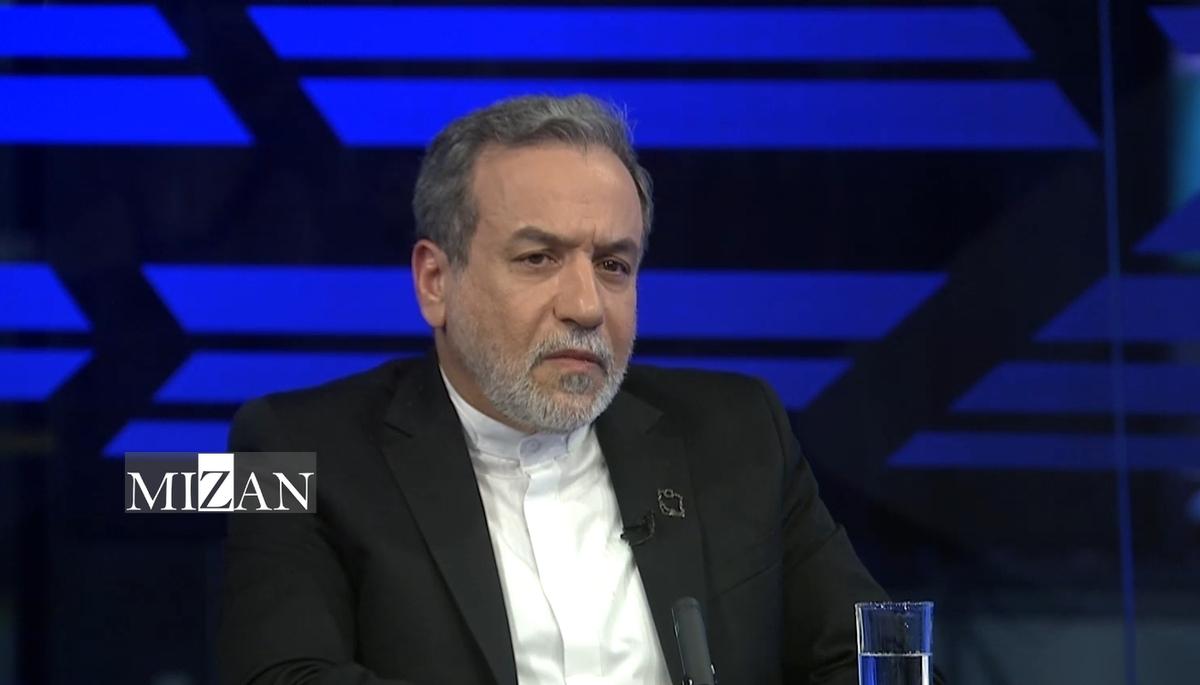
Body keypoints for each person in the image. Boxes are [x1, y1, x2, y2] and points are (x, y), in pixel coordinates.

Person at [218, 94, 891, 685]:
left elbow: (874, 659)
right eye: (538, 258)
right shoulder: (292, 449)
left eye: (613, 265)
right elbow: (280, 674)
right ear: (435, 281)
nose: (586, 306)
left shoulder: (740, 432)